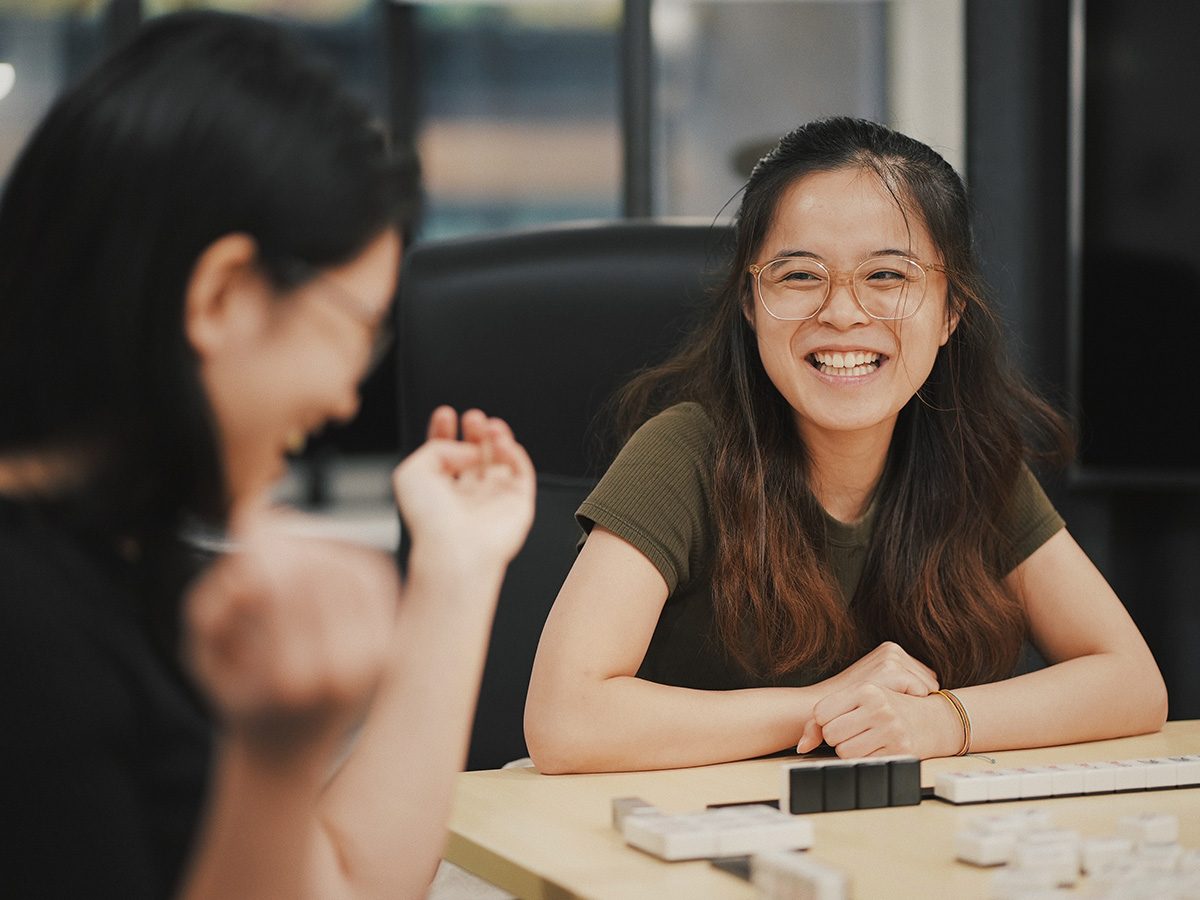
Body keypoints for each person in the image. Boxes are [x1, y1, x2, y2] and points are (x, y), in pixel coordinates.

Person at [0, 12, 534, 899]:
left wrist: (458, 569)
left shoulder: (131, 566)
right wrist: (274, 760)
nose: (346, 398)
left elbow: (355, 880)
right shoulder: (31, 646)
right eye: (357, 331)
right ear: (220, 295)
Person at [524, 116, 1166, 774]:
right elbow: (565, 720)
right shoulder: (685, 451)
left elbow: (1132, 683)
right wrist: (827, 703)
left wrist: (940, 722)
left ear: (950, 312)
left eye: (887, 276)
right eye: (799, 276)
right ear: (750, 302)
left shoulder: (969, 459)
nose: (842, 312)